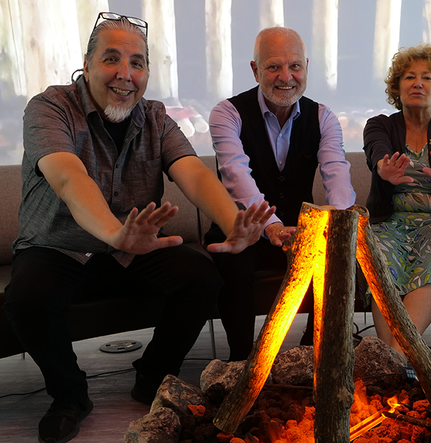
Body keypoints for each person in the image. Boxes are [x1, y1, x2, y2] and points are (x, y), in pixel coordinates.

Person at [3, 13, 274, 443]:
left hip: (131, 247)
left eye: (138, 63)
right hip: (59, 246)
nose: (125, 75)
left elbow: (195, 174)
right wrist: (113, 231)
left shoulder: (156, 118)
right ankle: (70, 395)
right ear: (87, 64)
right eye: (112, 59)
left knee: (202, 276)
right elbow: (70, 177)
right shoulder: (49, 107)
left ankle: (152, 375)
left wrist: (232, 223)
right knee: (27, 297)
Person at [205, 26, 356, 361]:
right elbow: (235, 173)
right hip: (241, 228)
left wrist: (340, 222)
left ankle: (311, 352)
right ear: (255, 70)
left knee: (332, 256)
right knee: (234, 264)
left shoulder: (324, 117)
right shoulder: (226, 113)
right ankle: (244, 362)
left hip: (296, 230)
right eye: (274, 67)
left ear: (306, 67)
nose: (286, 77)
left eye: (295, 67)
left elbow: (337, 174)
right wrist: (270, 225)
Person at [363, 44, 431, 356]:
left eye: (427, 77)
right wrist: (383, 166)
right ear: (397, 88)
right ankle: (402, 359)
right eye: (409, 77)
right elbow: (376, 149)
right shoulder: (381, 124)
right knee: (377, 250)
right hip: (390, 223)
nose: (418, 83)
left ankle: (395, 356)